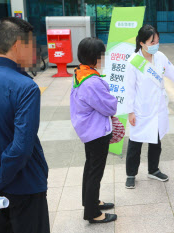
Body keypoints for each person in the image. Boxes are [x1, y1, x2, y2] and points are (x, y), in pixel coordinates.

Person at [0, 17, 50, 232]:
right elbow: (22, 147)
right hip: (24, 185)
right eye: (31, 45)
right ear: (18, 45)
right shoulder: (25, 87)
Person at [124, 25, 174, 189]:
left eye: (157, 41)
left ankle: (153, 169)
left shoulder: (160, 57)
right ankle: (131, 174)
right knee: (135, 144)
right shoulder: (133, 62)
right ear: (141, 43)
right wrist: (130, 111)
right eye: (152, 42)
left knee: (156, 141)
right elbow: (129, 89)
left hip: (158, 107)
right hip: (140, 109)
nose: (155, 44)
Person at [70, 37, 118, 224]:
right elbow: (109, 107)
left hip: (88, 130)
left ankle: (90, 201)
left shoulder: (80, 72)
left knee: (90, 167)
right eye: (102, 55)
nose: (103, 58)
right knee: (95, 172)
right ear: (96, 58)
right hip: (96, 132)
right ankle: (93, 213)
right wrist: (111, 97)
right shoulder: (92, 82)